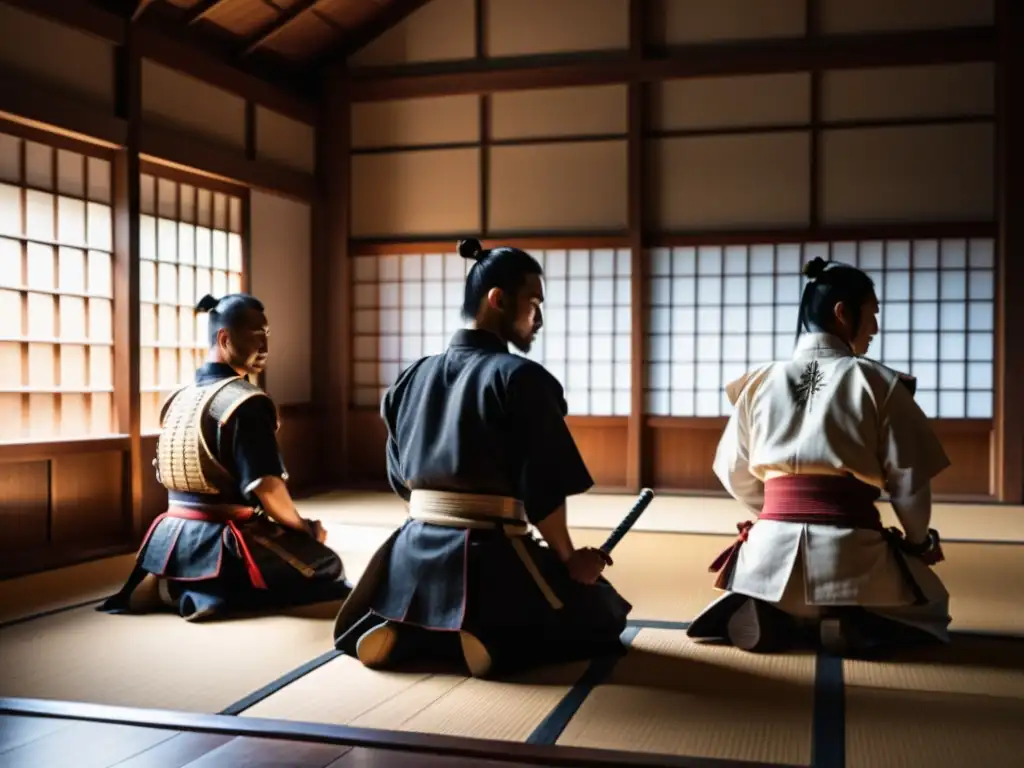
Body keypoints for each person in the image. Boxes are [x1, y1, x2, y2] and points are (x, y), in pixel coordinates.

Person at [332, 238, 632, 677]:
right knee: (601, 611)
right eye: (533, 303)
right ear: (497, 299)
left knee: (423, 596)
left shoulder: (410, 376)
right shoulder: (522, 379)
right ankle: (491, 638)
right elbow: (542, 493)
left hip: (410, 552)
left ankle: (412, 630)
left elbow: (400, 480)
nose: (540, 318)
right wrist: (571, 559)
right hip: (490, 554)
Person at [686, 256, 952, 656]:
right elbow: (910, 482)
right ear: (843, 314)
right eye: (872, 315)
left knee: (766, 578)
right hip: (850, 561)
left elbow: (731, 470)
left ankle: (780, 615)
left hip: (767, 559)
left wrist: (778, 509)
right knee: (931, 606)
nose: (876, 328)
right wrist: (918, 541)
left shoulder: (759, 382)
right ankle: (842, 620)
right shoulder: (879, 382)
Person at [99, 293, 349, 622]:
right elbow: (267, 487)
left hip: (169, 539)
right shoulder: (245, 401)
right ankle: (200, 594)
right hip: (224, 540)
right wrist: (303, 527)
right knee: (327, 567)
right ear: (225, 338)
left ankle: (173, 582)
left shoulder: (180, 397)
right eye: (255, 336)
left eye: (267, 337)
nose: (265, 348)